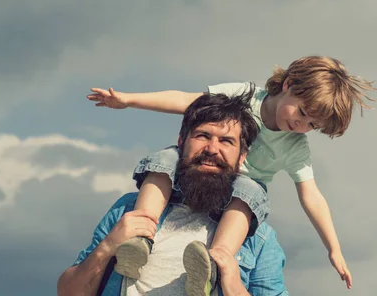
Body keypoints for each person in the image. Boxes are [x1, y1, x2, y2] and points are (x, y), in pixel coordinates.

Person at [88, 56, 377, 293]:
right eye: (302, 112)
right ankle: (140, 238)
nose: (301, 125)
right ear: (289, 85)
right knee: (164, 158)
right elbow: (187, 101)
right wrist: (128, 100)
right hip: (199, 175)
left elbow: (311, 195)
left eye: (312, 125)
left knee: (251, 190)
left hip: (236, 200)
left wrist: (334, 249)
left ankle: (211, 264)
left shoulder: (295, 147)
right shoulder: (245, 95)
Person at [58, 89, 289, 296]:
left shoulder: (258, 239)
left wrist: (233, 285)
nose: (212, 149)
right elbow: (68, 292)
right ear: (181, 142)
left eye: (226, 141)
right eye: (202, 136)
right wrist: (107, 248)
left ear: (241, 158)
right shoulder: (129, 209)